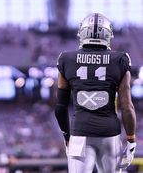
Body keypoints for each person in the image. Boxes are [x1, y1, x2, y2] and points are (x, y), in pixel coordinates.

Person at [54, 13, 137, 173]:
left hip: (80, 133)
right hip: (109, 133)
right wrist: (131, 139)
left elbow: (60, 108)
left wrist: (67, 137)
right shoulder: (120, 59)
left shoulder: (66, 59)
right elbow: (127, 107)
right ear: (108, 34)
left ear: (82, 33)